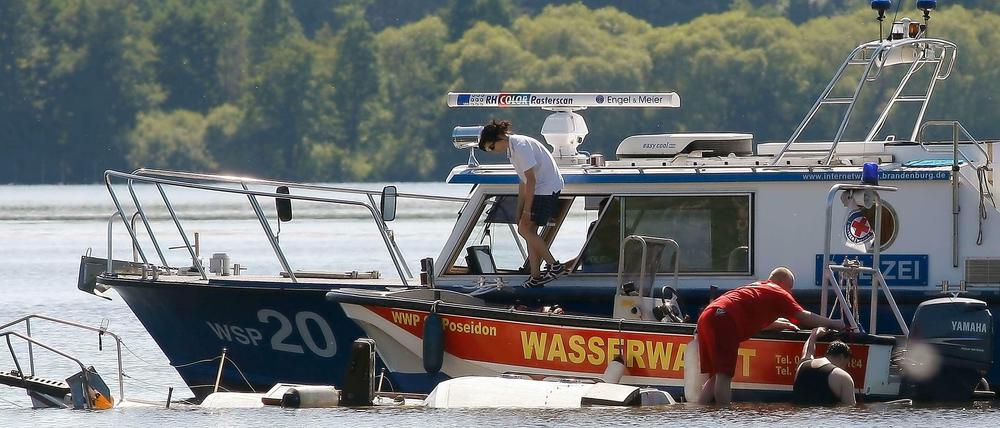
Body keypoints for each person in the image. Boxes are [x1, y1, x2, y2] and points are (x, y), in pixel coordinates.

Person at [695, 266, 847, 405]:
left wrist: (781, 324)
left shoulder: (757, 287)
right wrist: (833, 323)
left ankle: (701, 411)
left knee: (715, 375)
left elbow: (754, 319)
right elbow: (803, 316)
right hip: (724, 318)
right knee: (724, 375)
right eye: (790, 288)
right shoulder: (778, 291)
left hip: (707, 316)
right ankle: (723, 417)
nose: (790, 293)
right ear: (781, 282)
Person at [478, 119, 567, 288]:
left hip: (546, 188)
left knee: (524, 229)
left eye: (491, 147)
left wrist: (526, 211)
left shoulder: (520, 146)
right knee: (528, 230)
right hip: (540, 188)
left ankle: (554, 266)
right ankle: (535, 277)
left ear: (499, 137)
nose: (493, 151)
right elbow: (523, 181)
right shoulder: (512, 150)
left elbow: (531, 180)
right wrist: (519, 210)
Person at [792, 327, 856, 405]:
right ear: (841, 357)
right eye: (846, 364)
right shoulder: (844, 377)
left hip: (800, 412)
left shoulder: (802, 365)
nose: (844, 368)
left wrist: (815, 334)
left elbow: (808, 351)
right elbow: (849, 409)